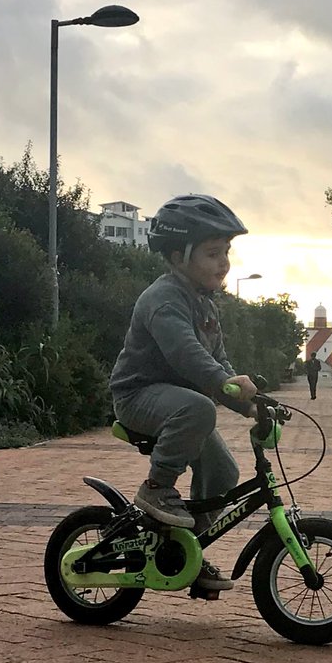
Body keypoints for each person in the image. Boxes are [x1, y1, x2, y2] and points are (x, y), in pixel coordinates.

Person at [108, 193, 258, 592]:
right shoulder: (163, 299)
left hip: (180, 406)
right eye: (212, 253)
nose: (224, 262)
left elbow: (218, 362)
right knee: (199, 407)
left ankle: (186, 551)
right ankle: (156, 488)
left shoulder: (205, 305)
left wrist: (252, 406)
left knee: (223, 472)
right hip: (138, 397)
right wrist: (225, 385)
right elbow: (187, 356)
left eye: (225, 252)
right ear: (178, 257)